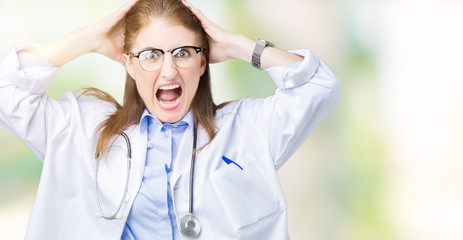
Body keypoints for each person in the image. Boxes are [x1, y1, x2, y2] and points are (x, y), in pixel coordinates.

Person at [0, 0, 341, 239]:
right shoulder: (79, 129)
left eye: (182, 53)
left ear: (204, 61)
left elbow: (319, 87)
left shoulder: (247, 129)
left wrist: (238, 46)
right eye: (150, 55)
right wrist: (88, 39)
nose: (168, 69)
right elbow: (8, 92)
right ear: (129, 64)